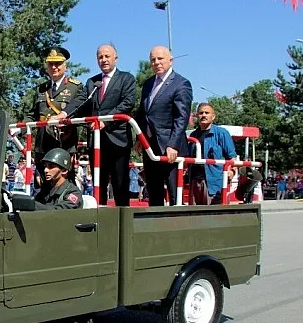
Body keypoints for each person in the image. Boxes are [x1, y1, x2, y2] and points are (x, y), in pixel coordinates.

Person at [58, 44, 136, 206]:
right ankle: (99, 220)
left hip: (118, 141)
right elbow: (80, 102)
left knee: (120, 184)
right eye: (100, 57)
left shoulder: (126, 79)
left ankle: (122, 225)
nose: (104, 60)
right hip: (96, 142)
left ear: (116, 58)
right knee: (98, 185)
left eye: (107, 56)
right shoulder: (92, 82)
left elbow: (127, 104)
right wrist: (65, 114)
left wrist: (104, 121)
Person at [134, 46, 193, 206]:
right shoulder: (147, 84)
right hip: (150, 146)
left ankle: (176, 226)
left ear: (170, 60)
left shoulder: (181, 84)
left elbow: (182, 118)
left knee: (175, 194)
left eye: (160, 59)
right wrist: (139, 138)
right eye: (153, 59)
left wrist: (173, 144)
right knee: (154, 191)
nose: (156, 62)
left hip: (170, 147)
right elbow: (143, 113)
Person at [24, 47, 83, 182]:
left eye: (58, 64)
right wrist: (19, 129)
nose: (54, 67)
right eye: (51, 64)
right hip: (42, 147)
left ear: (65, 66)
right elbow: (32, 115)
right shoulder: (41, 89)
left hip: (64, 145)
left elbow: (80, 113)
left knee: (64, 187)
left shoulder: (75, 87)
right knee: (41, 187)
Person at [187, 103, 237, 205]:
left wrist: (231, 171)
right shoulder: (193, 135)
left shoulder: (221, 133)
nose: (204, 115)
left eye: (207, 113)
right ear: (197, 116)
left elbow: (232, 157)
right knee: (194, 215)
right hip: (195, 182)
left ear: (213, 116)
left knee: (213, 215)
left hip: (214, 183)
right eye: (201, 113)